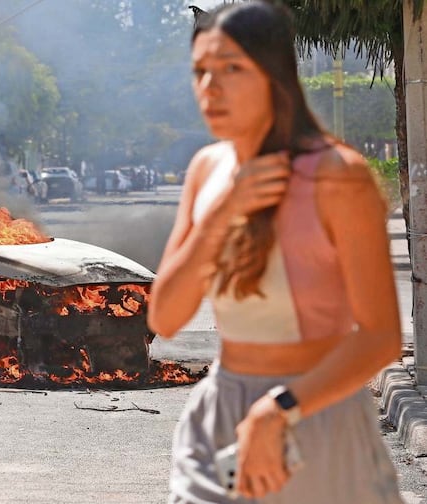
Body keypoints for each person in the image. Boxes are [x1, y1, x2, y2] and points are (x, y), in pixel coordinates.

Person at [146, 2, 404, 503]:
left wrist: (277, 409)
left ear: (274, 75)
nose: (210, 88)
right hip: (220, 416)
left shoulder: (338, 176)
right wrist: (222, 213)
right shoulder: (207, 170)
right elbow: (166, 316)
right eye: (200, 71)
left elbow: (380, 338)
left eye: (231, 69)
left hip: (314, 417)